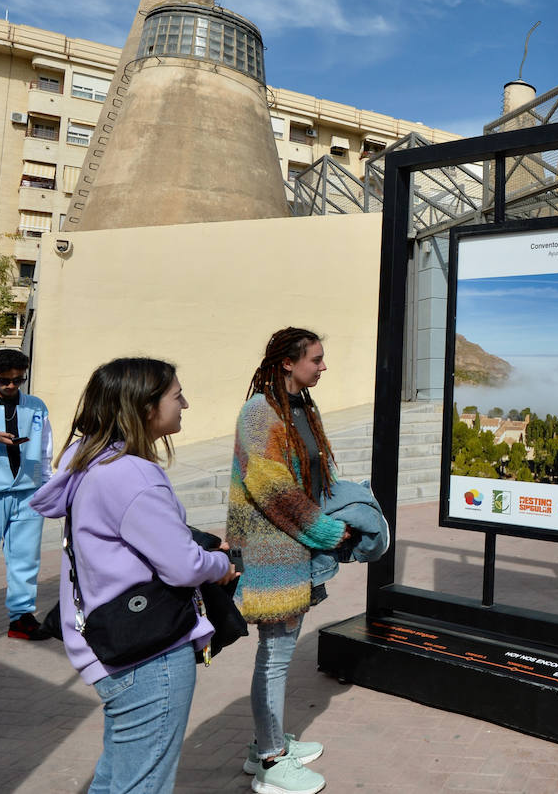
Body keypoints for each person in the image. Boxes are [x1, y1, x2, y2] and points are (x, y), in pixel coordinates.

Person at [30, 358, 235, 792]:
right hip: (150, 655)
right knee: (141, 784)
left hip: (115, 642)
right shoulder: (131, 474)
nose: (185, 404)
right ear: (145, 407)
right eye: (176, 396)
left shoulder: (92, 461)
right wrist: (220, 566)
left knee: (116, 779)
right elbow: (184, 567)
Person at [228, 328, 350, 794]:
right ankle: (271, 761)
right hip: (271, 552)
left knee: (278, 653)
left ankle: (267, 741)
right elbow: (272, 488)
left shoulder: (302, 407)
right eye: (315, 359)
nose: (323, 366)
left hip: (299, 548)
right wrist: (328, 530)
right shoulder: (259, 412)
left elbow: (317, 472)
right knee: (276, 656)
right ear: (286, 362)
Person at [0, 347, 54, 642]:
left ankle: (21, 617)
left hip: (28, 493)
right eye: (4, 380)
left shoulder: (36, 406)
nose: (11, 385)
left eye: (18, 379)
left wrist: (46, 486)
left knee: (25, 558)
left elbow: (44, 450)